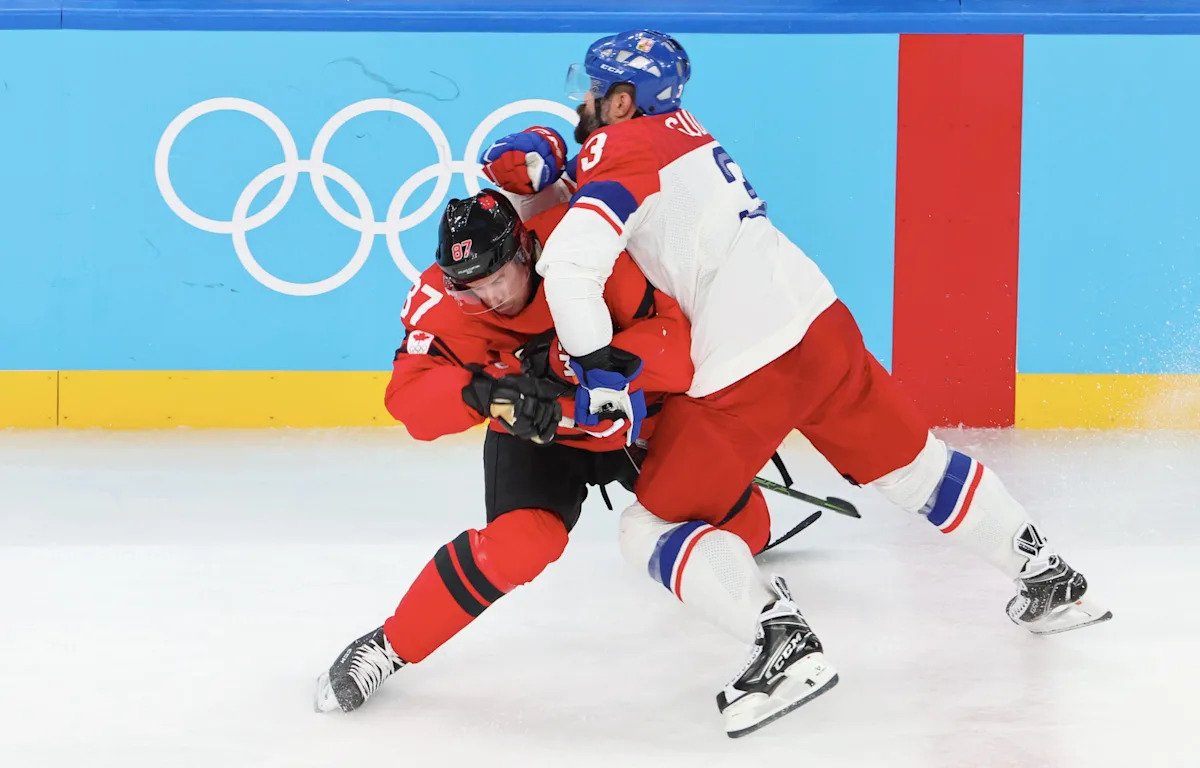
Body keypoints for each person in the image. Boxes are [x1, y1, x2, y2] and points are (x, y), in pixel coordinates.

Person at [479, 29, 1111, 738]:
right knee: (918, 470)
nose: (584, 106)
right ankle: (1049, 576)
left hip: (750, 366)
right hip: (821, 324)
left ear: (621, 101)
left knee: (649, 527)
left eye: (593, 93)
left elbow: (569, 267)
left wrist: (596, 371)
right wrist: (551, 183)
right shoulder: (683, 136)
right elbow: (635, 209)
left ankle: (780, 641)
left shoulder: (620, 146)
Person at [314, 189, 776, 713]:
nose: (489, 301)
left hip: (635, 423)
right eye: (472, 291)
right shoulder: (441, 302)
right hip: (538, 440)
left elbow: (677, 350)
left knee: (751, 530)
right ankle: (388, 646)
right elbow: (408, 402)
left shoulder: (584, 249)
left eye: (497, 281)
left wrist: (576, 368)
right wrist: (482, 391)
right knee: (520, 543)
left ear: (524, 253)